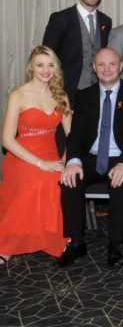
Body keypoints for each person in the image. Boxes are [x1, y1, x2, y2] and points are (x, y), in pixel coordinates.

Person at [56, 48, 123, 268]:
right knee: (70, 181)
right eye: (102, 65)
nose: (107, 69)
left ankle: (114, 245)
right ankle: (76, 242)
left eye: (112, 64)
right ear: (94, 68)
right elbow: (76, 136)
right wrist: (73, 162)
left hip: (122, 157)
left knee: (120, 183)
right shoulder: (84, 96)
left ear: (121, 67)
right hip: (92, 156)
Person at [0, 46, 72, 265]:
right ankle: (7, 245)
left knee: (57, 180)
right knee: (37, 182)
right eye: (40, 65)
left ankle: (53, 239)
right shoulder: (18, 95)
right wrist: (41, 163)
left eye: (51, 65)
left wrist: (64, 161)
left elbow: (73, 136)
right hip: (22, 157)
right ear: (31, 66)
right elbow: (7, 140)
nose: (46, 70)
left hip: (51, 155)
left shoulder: (61, 95)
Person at [42, 0, 112, 104]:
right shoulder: (60, 19)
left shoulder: (106, 21)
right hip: (66, 93)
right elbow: (46, 56)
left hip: (97, 93)